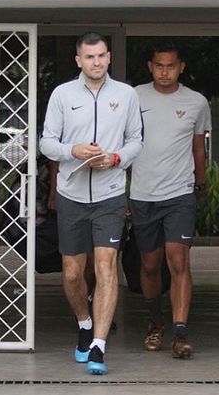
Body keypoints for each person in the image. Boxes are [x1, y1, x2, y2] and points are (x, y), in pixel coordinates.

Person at [39, 32, 143, 375]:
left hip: (110, 195)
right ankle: (84, 322)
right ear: (78, 60)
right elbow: (47, 143)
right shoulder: (62, 95)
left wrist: (115, 159)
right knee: (71, 273)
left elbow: (136, 142)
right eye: (89, 57)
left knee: (106, 267)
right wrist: (74, 150)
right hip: (71, 195)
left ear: (109, 57)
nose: (96, 62)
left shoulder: (126, 95)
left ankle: (98, 345)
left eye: (101, 56)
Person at [130, 44, 210, 359]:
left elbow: (198, 148)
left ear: (182, 67)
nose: (165, 72)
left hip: (180, 193)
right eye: (160, 66)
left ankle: (179, 333)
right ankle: (155, 321)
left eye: (171, 66)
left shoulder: (196, 102)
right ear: (150, 67)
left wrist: (200, 185)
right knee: (150, 266)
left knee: (178, 260)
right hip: (143, 195)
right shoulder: (133, 97)